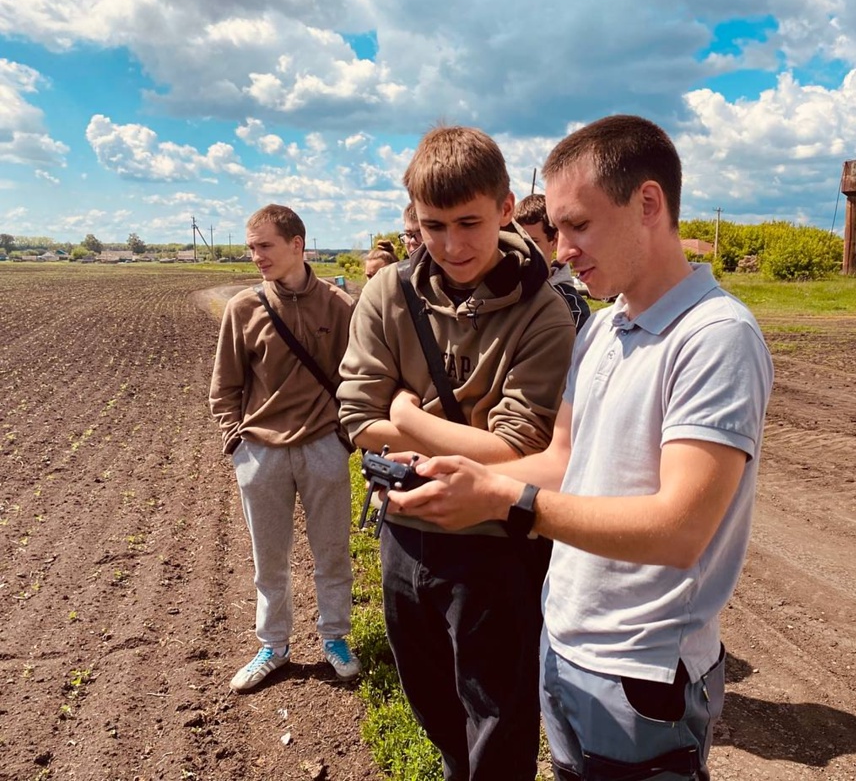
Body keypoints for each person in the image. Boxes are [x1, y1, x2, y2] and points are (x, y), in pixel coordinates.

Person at [384, 114, 774, 780]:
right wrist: (459, 469)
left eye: (578, 225)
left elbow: (680, 530)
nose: (559, 249)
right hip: (566, 643)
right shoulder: (602, 330)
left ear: (648, 204)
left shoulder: (714, 337)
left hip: (642, 673)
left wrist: (506, 501)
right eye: (557, 230)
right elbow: (564, 461)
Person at [337, 126, 576, 780]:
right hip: (403, 537)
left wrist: (408, 414)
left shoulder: (543, 314)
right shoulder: (389, 294)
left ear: (505, 209)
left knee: (499, 715)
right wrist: (436, 433)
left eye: (468, 223)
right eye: (433, 226)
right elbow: (356, 419)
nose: (450, 245)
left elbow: (514, 447)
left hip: (495, 547)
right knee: (433, 704)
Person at [209, 204, 360, 692]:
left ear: (297, 244)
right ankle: (273, 646)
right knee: (268, 557)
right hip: (262, 452)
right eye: (251, 247)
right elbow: (224, 387)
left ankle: (335, 637)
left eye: (264, 245)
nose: (256, 256)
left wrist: (343, 438)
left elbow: (358, 382)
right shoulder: (244, 308)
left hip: (323, 447)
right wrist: (238, 439)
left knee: (332, 552)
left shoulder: (340, 307)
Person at [514, 193, 590, 332]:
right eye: (516, 241)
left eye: (533, 242)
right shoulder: (499, 292)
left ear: (554, 241)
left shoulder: (573, 309)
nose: (523, 249)